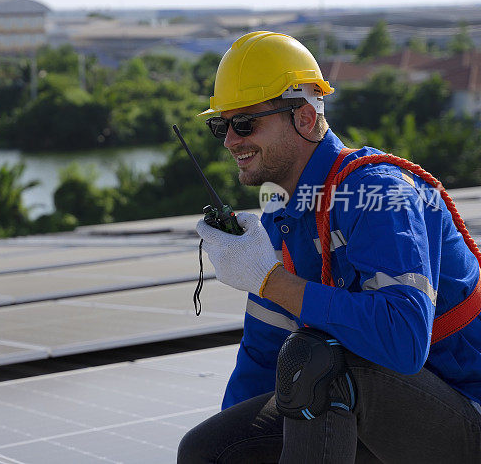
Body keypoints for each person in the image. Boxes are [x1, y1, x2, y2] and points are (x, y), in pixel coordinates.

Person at [177, 31, 481, 463]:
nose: (229, 140)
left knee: (318, 364)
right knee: (208, 447)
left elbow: (404, 342)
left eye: (244, 124)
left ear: (304, 117)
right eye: (221, 125)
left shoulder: (377, 193)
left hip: (466, 413)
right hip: (389, 415)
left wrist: (271, 281)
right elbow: (262, 360)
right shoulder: (284, 220)